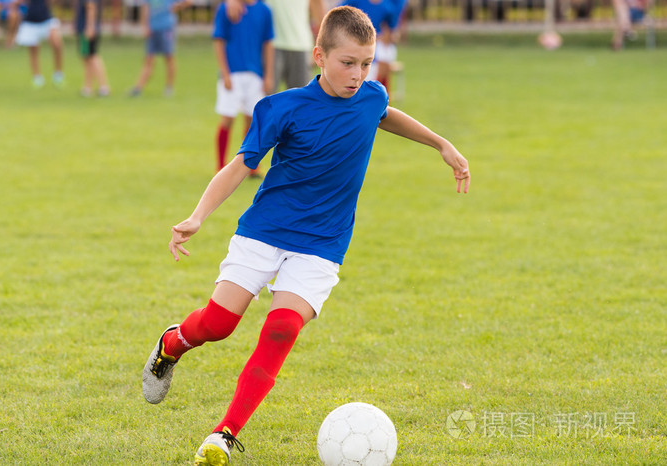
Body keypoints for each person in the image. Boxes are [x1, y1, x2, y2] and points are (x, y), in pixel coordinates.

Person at [142, 6, 470, 465]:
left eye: (366, 63)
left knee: (280, 329)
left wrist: (441, 144)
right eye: (347, 63)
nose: (358, 75)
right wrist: (197, 217)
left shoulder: (370, 96)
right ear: (319, 55)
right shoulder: (283, 108)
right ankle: (172, 343)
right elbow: (240, 166)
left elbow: (385, 112)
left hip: (322, 244)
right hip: (265, 231)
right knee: (219, 324)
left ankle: (223, 435)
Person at [211, 0, 274, 174]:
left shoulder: (264, 10)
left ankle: (250, 166)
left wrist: (268, 75)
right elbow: (219, 40)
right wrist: (224, 73)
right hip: (232, 73)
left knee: (252, 121)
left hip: (255, 74)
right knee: (228, 119)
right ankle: (220, 165)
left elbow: (268, 44)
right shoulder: (226, 8)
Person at [225, 0, 326, 93]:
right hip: (271, 45)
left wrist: (322, 46)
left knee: (302, 103)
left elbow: (317, 4)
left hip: (301, 45)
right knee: (265, 98)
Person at [128, 0, 191, 97]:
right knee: (148, 59)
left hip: (166, 28)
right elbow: (145, 9)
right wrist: (144, 26)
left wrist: (177, 7)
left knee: (169, 58)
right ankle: (138, 88)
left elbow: (189, 2)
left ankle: (169, 88)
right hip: (153, 29)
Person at [340, 0, 398, 91]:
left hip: (375, 45)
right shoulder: (355, 2)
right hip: (354, 43)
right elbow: (339, 14)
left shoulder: (387, 7)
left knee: (375, 79)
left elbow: (390, 30)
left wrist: (381, 38)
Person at [14, 0, 64, 88]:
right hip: (30, 21)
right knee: (34, 51)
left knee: (57, 44)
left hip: (47, 18)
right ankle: (37, 77)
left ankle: (58, 73)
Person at [75, 0, 110, 96]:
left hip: (87, 30)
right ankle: (88, 87)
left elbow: (91, 7)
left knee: (93, 56)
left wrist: (90, 27)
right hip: (84, 28)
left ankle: (103, 87)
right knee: (86, 58)